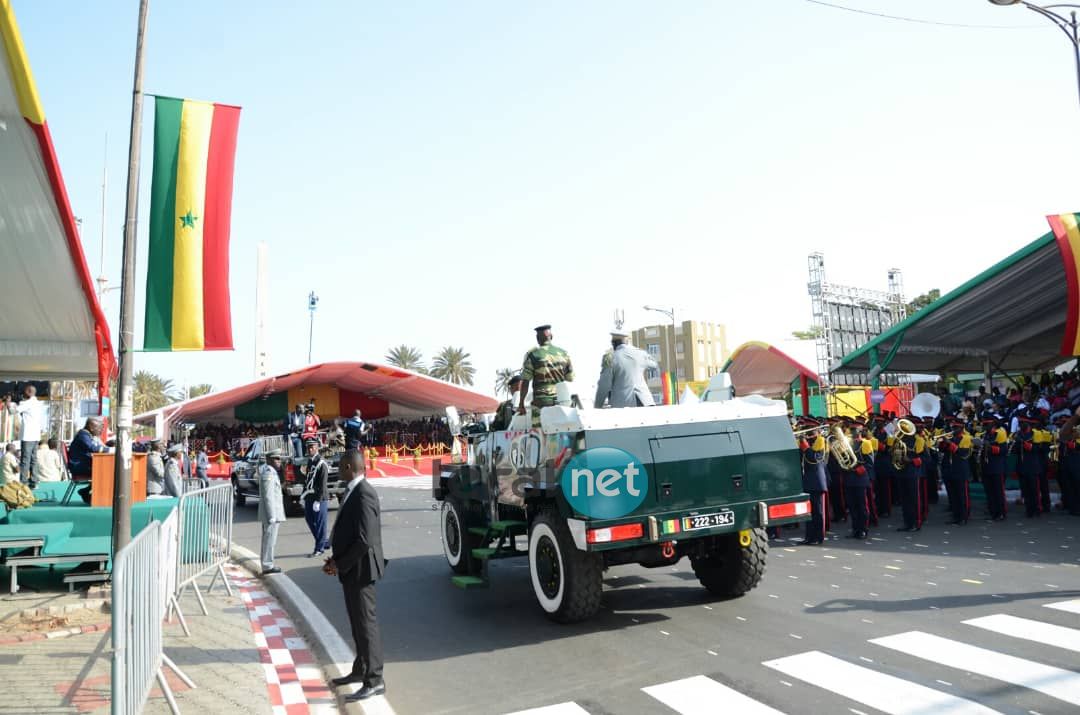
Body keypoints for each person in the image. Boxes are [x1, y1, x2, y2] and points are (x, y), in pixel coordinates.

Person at [325, 450, 386, 701]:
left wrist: (340, 564)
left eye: (340, 466)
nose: (337, 469)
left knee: (366, 625)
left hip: (360, 570)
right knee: (356, 623)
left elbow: (364, 540)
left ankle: (375, 680)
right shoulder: (352, 490)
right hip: (351, 569)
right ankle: (360, 670)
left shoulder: (364, 493)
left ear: (349, 466)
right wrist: (336, 561)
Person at [518, 324, 574, 428]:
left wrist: (521, 403)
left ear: (537, 338)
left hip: (541, 403)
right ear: (551, 336)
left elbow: (525, 381)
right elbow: (570, 378)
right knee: (560, 431)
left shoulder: (533, 355)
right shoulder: (564, 354)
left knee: (540, 434)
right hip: (561, 401)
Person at [594, 330, 658, 408]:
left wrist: (597, 406)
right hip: (645, 403)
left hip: (623, 406)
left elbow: (604, 385)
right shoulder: (640, 354)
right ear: (627, 342)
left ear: (613, 343)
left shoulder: (610, 358)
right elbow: (654, 365)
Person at [798, 420, 827, 545]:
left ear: (816, 429)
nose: (807, 431)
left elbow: (814, 459)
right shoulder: (807, 442)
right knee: (808, 512)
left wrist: (805, 445)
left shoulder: (821, 441)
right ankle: (809, 536)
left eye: (809, 428)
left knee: (817, 512)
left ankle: (818, 537)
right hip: (807, 481)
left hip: (816, 481)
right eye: (805, 428)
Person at [940, 418, 973, 525]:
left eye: (956, 427)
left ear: (962, 427)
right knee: (954, 496)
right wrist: (943, 443)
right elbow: (943, 450)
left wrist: (949, 443)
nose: (953, 429)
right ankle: (956, 516)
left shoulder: (966, 438)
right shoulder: (952, 438)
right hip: (951, 470)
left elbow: (962, 453)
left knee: (962, 495)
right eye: (953, 427)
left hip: (961, 470)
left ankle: (964, 517)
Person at [258, 450, 286, 575]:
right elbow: (268, 496)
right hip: (271, 514)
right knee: (269, 540)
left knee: (270, 540)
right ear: (269, 460)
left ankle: (268, 563)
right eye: (276, 459)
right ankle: (267, 565)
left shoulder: (273, 473)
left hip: (274, 513)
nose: (279, 461)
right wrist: (271, 516)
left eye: (279, 459)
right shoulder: (268, 473)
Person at [896, 419, 926, 532]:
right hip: (901, 472)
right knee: (904, 500)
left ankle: (916, 523)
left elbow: (925, 458)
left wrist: (911, 460)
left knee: (914, 499)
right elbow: (894, 453)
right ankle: (907, 523)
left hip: (913, 473)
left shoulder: (918, 441)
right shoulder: (900, 439)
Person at [303, 440, 331, 557]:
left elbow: (322, 484)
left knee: (320, 524)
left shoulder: (321, 463)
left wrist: (318, 501)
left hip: (319, 498)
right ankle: (323, 542)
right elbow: (308, 480)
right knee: (309, 519)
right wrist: (303, 495)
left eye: (312, 447)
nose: (310, 449)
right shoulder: (310, 461)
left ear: (317, 448)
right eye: (309, 447)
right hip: (309, 496)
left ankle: (319, 549)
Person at [980, 415, 1009, 521]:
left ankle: (1001, 512)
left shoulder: (1000, 433)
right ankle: (993, 512)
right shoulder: (985, 435)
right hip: (986, 466)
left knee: (998, 491)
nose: (984, 426)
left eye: (986, 424)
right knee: (989, 491)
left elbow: (1004, 450)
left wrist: (990, 447)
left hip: (997, 467)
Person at [16, 385, 45, 485]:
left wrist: (8, 402)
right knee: (33, 459)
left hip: (27, 435)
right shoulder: (37, 403)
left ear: (28, 392)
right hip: (35, 435)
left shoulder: (28, 403)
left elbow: (13, 411)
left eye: (24, 392)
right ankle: (34, 480)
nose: (22, 394)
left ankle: (23, 482)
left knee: (25, 459)